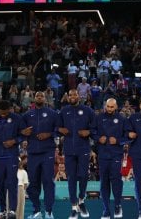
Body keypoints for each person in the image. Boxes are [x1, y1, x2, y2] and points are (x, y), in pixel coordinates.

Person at [58, 89, 96, 219]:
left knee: (84, 175)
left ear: (79, 96)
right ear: (68, 97)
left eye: (74, 94)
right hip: (69, 149)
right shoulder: (63, 111)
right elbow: (57, 127)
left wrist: (89, 132)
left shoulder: (88, 110)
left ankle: (81, 199)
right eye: (70, 95)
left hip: (83, 149)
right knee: (71, 178)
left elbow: (95, 127)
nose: (72, 96)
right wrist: (60, 129)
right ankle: (74, 205)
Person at [22, 91, 59, 219]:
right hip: (33, 153)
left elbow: (58, 129)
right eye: (37, 96)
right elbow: (21, 130)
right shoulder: (27, 115)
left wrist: (48, 134)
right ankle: (36, 210)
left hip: (47, 151)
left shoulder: (53, 114)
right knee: (33, 183)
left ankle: (49, 211)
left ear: (45, 98)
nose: (39, 97)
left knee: (48, 182)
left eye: (41, 96)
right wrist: (24, 133)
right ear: (34, 98)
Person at [0, 100, 25, 219]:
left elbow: (23, 134)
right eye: (1, 113)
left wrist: (14, 141)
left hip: (12, 155)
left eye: (5, 112)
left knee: (12, 183)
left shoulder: (17, 118)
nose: (3, 115)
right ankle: (2, 209)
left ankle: (12, 210)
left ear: (10, 109)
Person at [95, 98, 130, 219]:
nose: (109, 109)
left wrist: (118, 141)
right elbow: (93, 132)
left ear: (116, 107)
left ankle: (117, 205)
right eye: (108, 107)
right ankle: (106, 210)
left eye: (112, 107)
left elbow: (128, 136)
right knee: (104, 183)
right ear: (105, 106)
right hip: (103, 155)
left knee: (116, 181)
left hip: (116, 154)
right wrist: (98, 138)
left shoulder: (122, 119)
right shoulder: (98, 117)